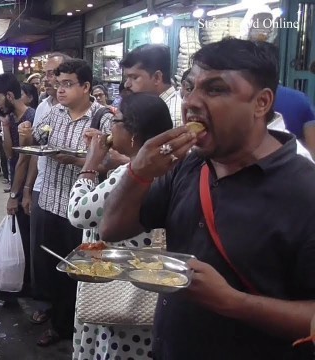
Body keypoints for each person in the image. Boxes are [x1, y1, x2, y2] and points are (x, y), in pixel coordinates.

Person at [100, 38, 315, 360]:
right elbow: (111, 230)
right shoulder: (189, 164)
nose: (192, 102)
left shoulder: (305, 191)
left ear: (261, 103)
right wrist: (138, 172)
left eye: (215, 89)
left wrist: (234, 302)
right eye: (189, 88)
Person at [69, 93, 174, 360]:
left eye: (115, 120)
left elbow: (79, 213)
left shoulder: (129, 177)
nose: (109, 128)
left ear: (134, 133)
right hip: (147, 287)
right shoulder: (166, 166)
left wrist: (90, 165)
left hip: (121, 295)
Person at [19, 59, 104, 346]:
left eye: (68, 84)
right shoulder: (54, 114)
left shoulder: (101, 118)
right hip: (51, 201)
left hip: (80, 211)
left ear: (86, 87)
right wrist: (28, 136)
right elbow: (39, 145)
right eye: (59, 84)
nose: (61, 91)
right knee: (48, 265)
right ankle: (54, 312)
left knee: (75, 271)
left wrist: (77, 159)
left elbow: (109, 162)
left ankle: (67, 326)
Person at [0, 73, 35, 292]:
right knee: (22, 235)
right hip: (16, 176)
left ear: (9, 95)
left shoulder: (31, 118)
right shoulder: (13, 118)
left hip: (28, 186)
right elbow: (10, 155)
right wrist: (5, 125)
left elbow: (26, 160)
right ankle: (22, 283)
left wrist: (16, 195)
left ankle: (29, 286)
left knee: (28, 238)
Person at [121, 44, 183, 127]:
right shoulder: (148, 108)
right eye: (126, 78)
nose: (126, 85)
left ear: (157, 78)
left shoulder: (174, 115)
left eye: (134, 77)